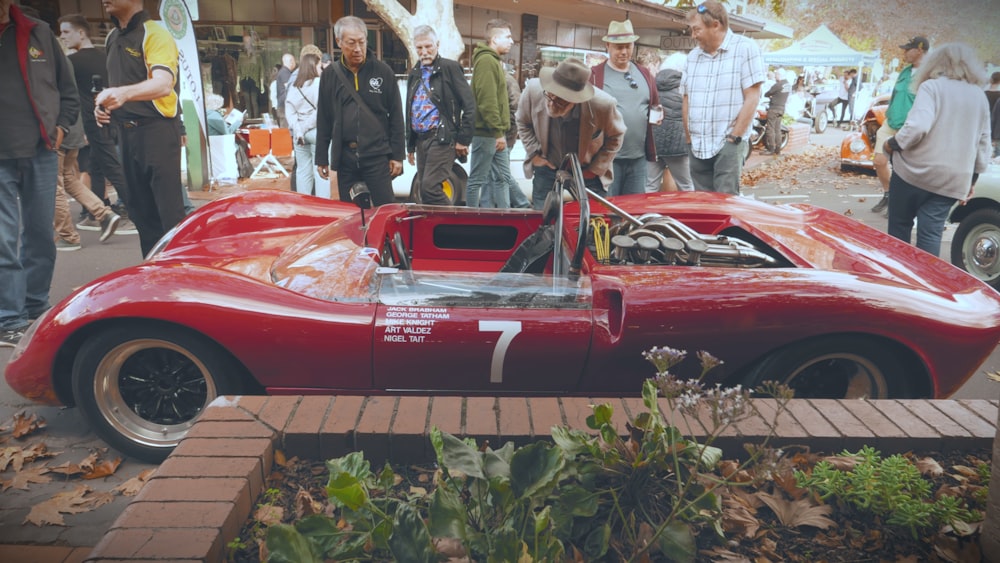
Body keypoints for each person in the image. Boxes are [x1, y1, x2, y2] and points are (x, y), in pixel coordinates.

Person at [0, 0, 79, 347]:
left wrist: (61, 126)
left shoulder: (38, 32)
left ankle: (34, 306)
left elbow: (67, 90)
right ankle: (9, 317)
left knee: (40, 235)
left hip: (41, 149)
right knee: (3, 238)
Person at [96, 0, 187, 257]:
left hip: (157, 131)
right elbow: (117, 90)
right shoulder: (112, 38)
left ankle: (179, 277)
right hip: (125, 134)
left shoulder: (155, 34)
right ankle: (153, 277)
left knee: (169, 215)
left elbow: (163, 84)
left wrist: (123, 93)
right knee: (140, 214)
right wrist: (105, 105)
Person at [882, 43, 990, 257]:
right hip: (952, 179)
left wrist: (892, 144)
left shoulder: (932, 87)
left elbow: (918, 126)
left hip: (914, 172)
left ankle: (895, 282)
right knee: (930, 235)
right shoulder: (979, 96)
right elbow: (983, 143)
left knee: (898, 230)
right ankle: (926, 285)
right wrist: (973, 179)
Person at [316, 15, 404, 207]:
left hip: (378, 156)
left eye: (361, 42)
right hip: (346, 157)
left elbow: (396, 116)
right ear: (339, 42)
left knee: (385, 210)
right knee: (352, 214)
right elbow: (323, 117)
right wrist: (321, 156)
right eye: (351, 43)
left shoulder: (383, 72)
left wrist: (397, 155)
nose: (357, 48)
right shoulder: (330, 75)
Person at [58, 13, 134, 233]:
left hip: (91, 122)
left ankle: (134, 211)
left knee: (109, 166)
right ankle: (97, 213)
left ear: (81, 33)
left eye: (66, 32)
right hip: (109, 117)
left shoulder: (69, 63)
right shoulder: (105, 57)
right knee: (96, 166)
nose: (62, 37)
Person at [516, 58, 626, 210]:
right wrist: (534, 153)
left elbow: (616, 136)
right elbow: (522, 121)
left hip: (587, 172)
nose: (552, 104)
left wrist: (595, 169)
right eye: (550, 95)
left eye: (561, 101)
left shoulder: (603, 105)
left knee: (593, 221)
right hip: (548, 168)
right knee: (544, 220)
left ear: (577, 100)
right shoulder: (533, 91)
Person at [681, 0, 765, 194]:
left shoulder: (745, 48)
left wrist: (734, 138)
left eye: (697, 30)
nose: (693, 35)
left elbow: (752, 97)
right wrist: (688, 138)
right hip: (697, 144)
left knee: (725, 206)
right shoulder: (693, 57)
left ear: (716, 25)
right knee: (703, 206)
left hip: (727, 143)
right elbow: (686, 98)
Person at [404, 25, 475, 205]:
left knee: (430, 187)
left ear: (437, 44)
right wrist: (410, 144)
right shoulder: (415, 72)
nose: (424, 51)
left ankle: (453, 226)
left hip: (442, 138)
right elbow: (409, 108)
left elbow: (470, 105)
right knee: (423, 190)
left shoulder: (450, 68)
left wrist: (463, 139)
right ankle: (433, 230)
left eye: (429, 46)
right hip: (421, 139)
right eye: (420, 47)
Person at [588, 20, 660, 197]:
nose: (624, 52)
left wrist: (657, 115)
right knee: (606, 211)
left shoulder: (644, 74)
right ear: (608, 46)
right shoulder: (595, 76)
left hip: (638, 159)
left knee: (633, 212)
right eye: (618, 47)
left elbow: (655, 105)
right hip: (606, 160)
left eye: (628, 46)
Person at [871, 36, 928, 214]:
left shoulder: (930, 74)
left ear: (920, 50)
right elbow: (896, 95)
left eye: (907, 49)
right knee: (879, 161)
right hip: (892, 122)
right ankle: (888, 195)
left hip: (910, 127)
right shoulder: (905, 72)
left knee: (903, 168)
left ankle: (900, 204)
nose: (904, 53)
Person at [466, 18, 518, 208]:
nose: (512, 41)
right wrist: (498, 133)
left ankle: (505, 217)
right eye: (508, 37)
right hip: (487, 134)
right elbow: (487, 102)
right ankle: (470, 221)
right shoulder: (487, 61)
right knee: (477, 181)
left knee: (503, 178)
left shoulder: (492, 60)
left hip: (495, 134)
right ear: (494, 39)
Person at [54, 110, 120, 247]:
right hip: (73, 131)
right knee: (68, 178)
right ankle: (104, 213)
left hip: (56, 133)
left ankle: (68, 237)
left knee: (55, 185)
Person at [649, 61, 694, 192]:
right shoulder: (684, 91)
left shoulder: (652, 89)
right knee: (686, 186)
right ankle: (688, 212)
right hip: (678, 148)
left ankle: (646, 212)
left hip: (653, 146)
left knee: (650, 185)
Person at [285, 53, 324, 198]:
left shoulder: (295, 86)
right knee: (320, 170)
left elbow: (290, 112)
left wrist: (299, 129)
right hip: (316, 132)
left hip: (299, 134)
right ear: (314, 67)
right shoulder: (319, 83)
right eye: (320, 66)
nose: (321, 70)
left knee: (302, 171)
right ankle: (323, 206)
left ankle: (303, 204)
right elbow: (321, 112)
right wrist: (306, 127)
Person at [761, 68, 790, 156]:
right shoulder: (788, 84)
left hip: (774, 108)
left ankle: (771, 149)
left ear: (779, 75)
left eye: (776, 74)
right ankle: (778, 149)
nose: (775, 76)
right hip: (781, 108)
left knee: (770, 129)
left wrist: (771, 96)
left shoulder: (778, 84)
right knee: (777, 129)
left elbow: (767, 93)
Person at [275, 53, 296, 128]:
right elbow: (289, 87)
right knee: (285, 130)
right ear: (291, 61)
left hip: (284, 105)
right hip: (284, 106)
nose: (295, 63)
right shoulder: (284, 72)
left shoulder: (284, 72)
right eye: (294, 60)